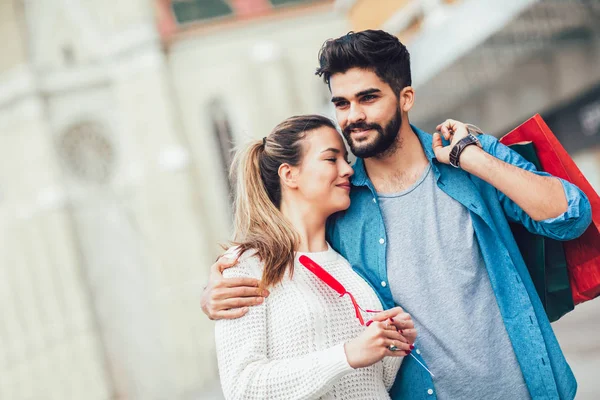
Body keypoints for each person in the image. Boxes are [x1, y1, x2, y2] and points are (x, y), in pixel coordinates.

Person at [203, 30, 592, 399]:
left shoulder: (467, 156)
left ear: (405, 97)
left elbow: (572, 216)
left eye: (368, 98)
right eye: (341, 103)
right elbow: (287, 243)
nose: (353, 116)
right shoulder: (340, 202)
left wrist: (473, 159)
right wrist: (214, 294)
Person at [215, 114, 418, 400]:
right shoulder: (246, 267)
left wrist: (393, 344)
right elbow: (244, 388)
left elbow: (373, 383)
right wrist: (346, 354)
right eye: (331, 159)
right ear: (289, 174)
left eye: (345, 159)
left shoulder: (347, 265)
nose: (348, 169)